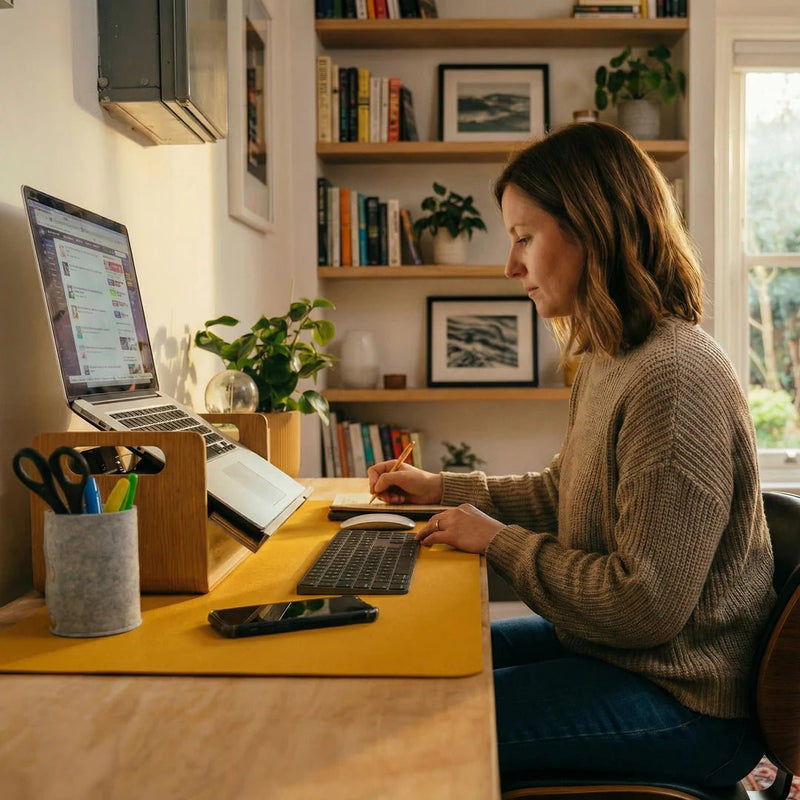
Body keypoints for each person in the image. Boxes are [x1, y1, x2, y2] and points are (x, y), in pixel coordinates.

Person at [368, 122, 776, 787]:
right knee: (417, 658)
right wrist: (443, 488)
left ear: (593, 231)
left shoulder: (672, 376)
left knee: (419, 716)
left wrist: (496, 543)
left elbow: (645, 603)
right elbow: (564, 496)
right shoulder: (612, 355)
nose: (510, 266)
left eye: (524, 239)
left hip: (691, 706)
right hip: (621, 660)